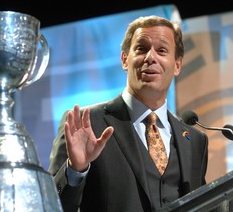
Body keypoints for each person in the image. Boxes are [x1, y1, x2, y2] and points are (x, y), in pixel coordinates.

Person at [48, 15, 208, 212]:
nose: (150, 57)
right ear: (125, 59)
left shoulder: (195, 140)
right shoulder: (86, 123)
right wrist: (75, 170)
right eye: (141, 48)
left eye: (162, 50)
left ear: (177, 65)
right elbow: (50, 206)